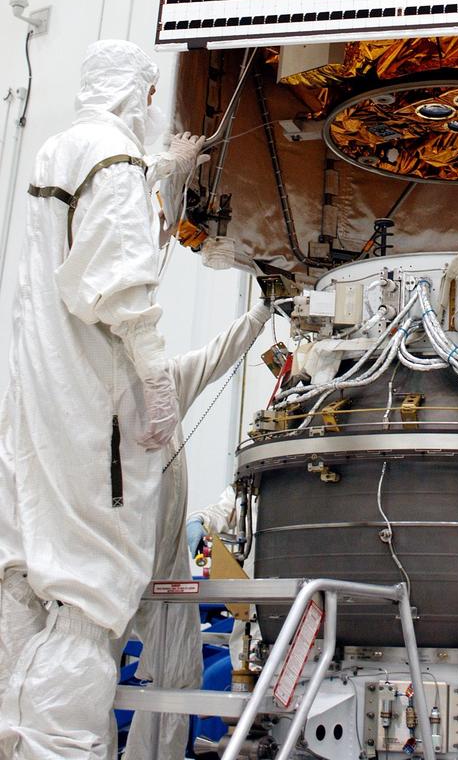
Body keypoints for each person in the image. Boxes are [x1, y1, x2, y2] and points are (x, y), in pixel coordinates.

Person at [0, 39, 206, 759]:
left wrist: (163, 172)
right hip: (92, 409)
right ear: (139, 94)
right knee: (88, 599)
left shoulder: (60, 151)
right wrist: (157, 386)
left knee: (23, 582)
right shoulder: (114, 159)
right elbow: (119, 284)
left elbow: (92, 228)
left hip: (37, 400)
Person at [122, 300, 271, 760]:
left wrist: (261, 314)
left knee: (178, 673)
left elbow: (216, 355)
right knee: (100, 669)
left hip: (164, 558)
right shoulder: (103, 399)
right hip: (113, 554)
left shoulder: (166, 382)